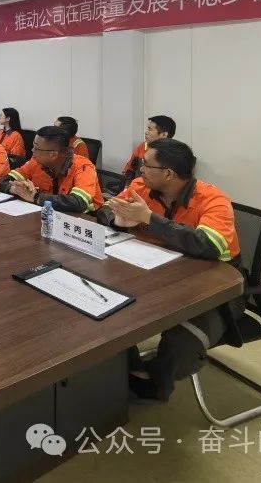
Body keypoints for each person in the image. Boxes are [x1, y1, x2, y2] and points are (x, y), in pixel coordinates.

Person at [103, 139, 241, 402]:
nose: (140, 169)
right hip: (154, 272)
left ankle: (156, 384)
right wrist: (117, 221)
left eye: (146, 164)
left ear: (168, 173)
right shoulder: (140, 187)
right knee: (106, 307)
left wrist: (149, 219)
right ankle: (129, 369)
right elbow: (107, 209)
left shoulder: (213, 199)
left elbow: (209, 245)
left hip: (213, 288)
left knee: (183, 344)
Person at [0, 126, 103, 213]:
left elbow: (78, 202)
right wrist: (16, 189)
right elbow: (5, 180)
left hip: (83, 222)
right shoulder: (35, 162)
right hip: (47, 216)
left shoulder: (83, 166)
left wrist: (36, 197)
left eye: (36, 148)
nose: (32, 150)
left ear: (53, 155)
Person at [123, 115, 176, 183]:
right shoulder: (142, 146)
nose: (146, 132)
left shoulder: (174, 154)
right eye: (147, 129)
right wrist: (127, 186)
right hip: (136, 186)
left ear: (164, 135)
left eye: (150, 129)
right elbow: (129, 169)